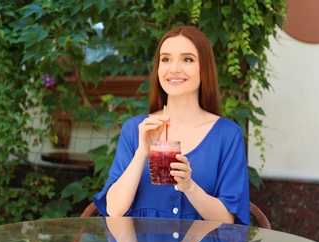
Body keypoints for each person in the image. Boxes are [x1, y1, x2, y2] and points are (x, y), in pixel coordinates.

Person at [93, 26, 250, 225]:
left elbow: (227, 220)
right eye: (166, 59)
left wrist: (190, 187)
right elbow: (114, 210)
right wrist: (142, 152)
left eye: (187, 59)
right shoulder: (136, 129)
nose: (174, 68)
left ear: (205, 68)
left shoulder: (228, 135)